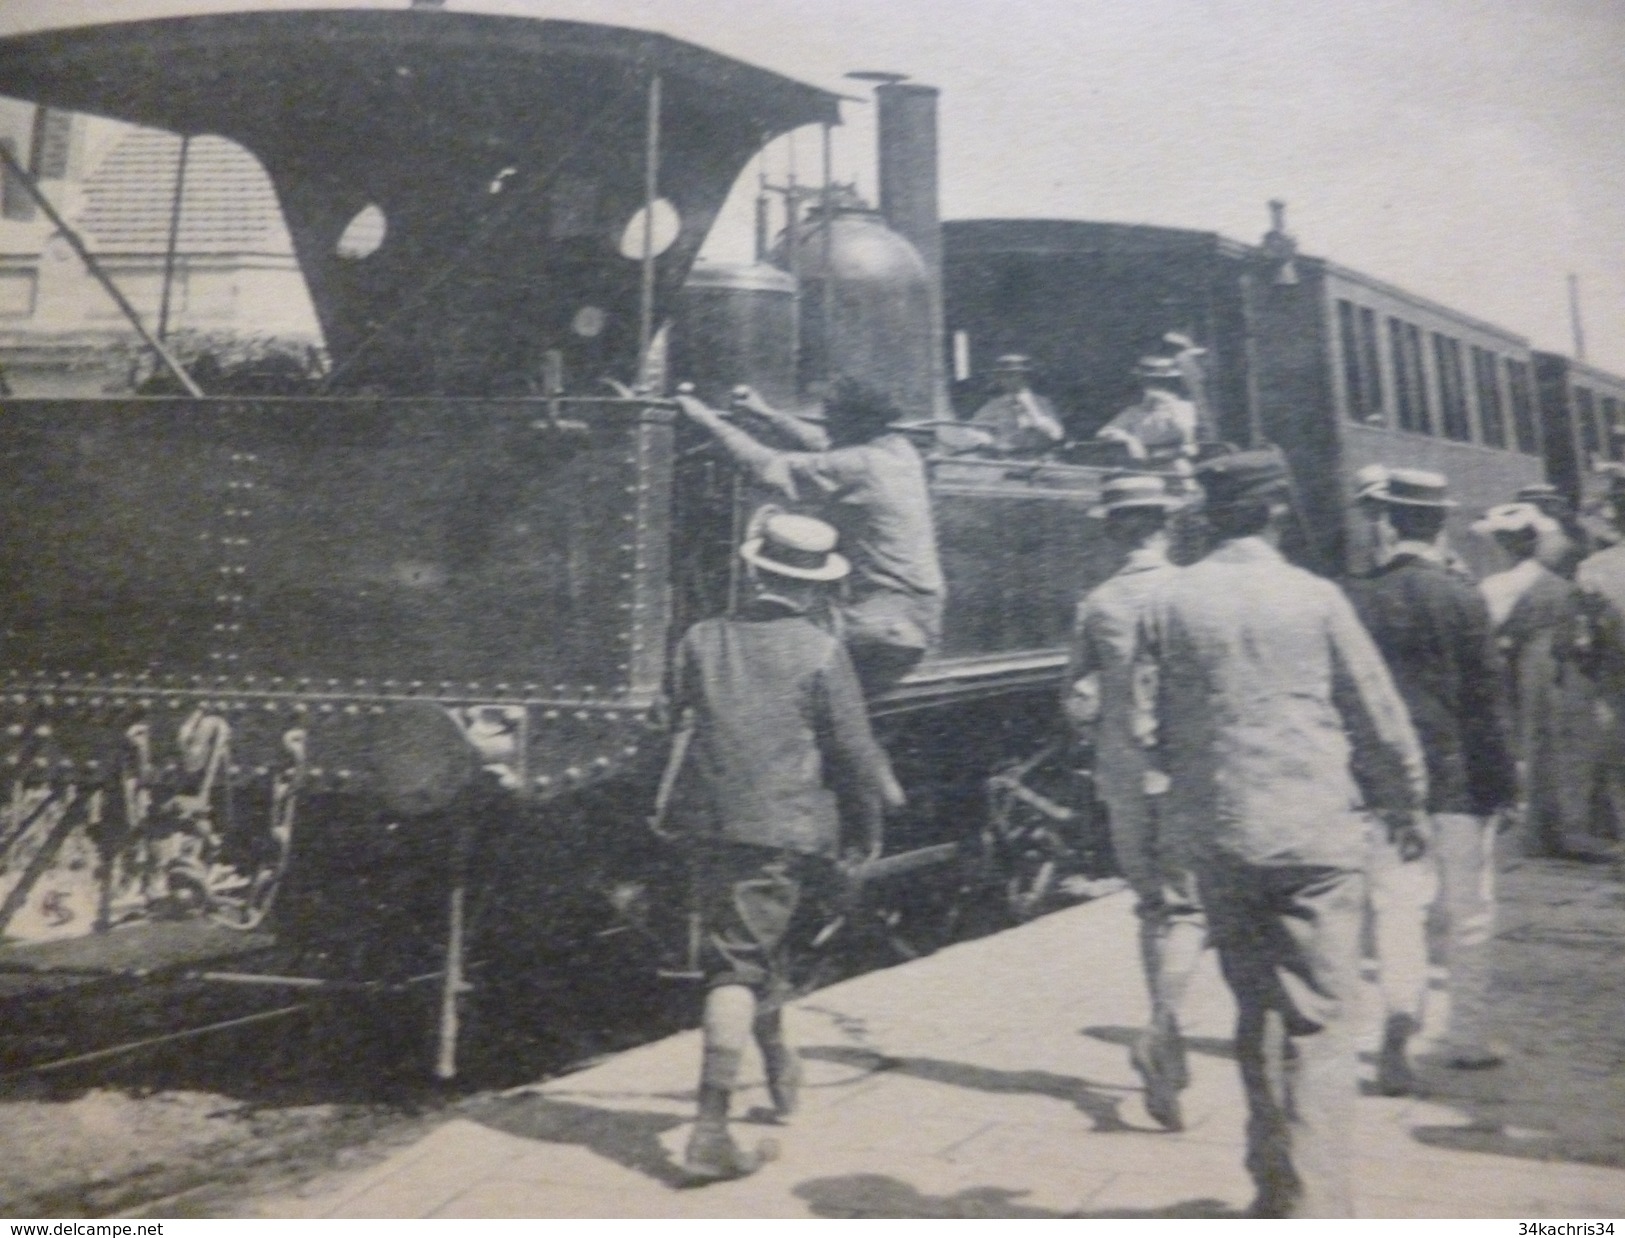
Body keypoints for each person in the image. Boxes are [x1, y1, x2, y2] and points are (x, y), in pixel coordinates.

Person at [1135, 448, 1428, 1218]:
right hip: (1314, 836)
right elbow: (1378, 716)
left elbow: (1146, 724)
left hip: (1220, 837)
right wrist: (1406, 804)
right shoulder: (1314, 596)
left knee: (1256, 1012)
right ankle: (1317, 1209)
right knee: (1322, 1025)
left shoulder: (1169, 601)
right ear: (1274, 511)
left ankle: (1273, 1189)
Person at [662, 512, 895, 1181]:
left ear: (756, 569)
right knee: (737, 967)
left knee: (747, 948)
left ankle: (778, 1072)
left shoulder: (701, 638)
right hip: (781, 831)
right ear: (816, 587)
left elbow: (672, 718)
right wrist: (868, 826)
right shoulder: (821, 650)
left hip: (704, 825)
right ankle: (709, 1130)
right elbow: (852, 753)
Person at [1343, 468, 1517, 1083]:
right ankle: (1467, 1035)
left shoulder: (1359, 597)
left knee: (1396, 909)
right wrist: (1504, 786)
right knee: (1469, 911)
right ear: (1439, 522)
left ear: (1386, 521)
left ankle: (1397, 1017)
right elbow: (1489, 703)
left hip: (1391, 786)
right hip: (1464, 782)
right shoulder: (1463, 596)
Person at [1065, 472, 1203, 1130]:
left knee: (1152, 907)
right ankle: (1160, 1031)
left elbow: (1076, 698)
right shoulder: (1193, 591)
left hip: (1121, 770)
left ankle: (1166, 1048)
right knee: (1190, 910)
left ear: (1115, 530)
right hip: (1184, 772)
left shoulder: (1095, 602)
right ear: (1165, 524)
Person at [676, 375, 945, 691]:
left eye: (832, 419)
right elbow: (823, 445)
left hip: (879, 624)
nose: (827, 427)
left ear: (851, 422)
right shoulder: (899, 451)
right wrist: (768, 414)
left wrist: (704, 419)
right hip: (916, 618)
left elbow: (769, 466)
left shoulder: (860, 464)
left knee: (779, 675)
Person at [1475, 502, 1594, 859]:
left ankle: (1538, 828)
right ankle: (1560, 824)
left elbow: (1488, 632)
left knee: (1526, 743)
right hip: (1554, 667)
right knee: (1555, 742)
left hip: (1514, 669)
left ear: (1504, 543)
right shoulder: (1558, 584)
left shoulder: (1493, 586)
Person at [1096, 355, 1199, 460]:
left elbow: (1189, 441)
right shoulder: (1134, 412)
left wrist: (1170, 405)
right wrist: (1130, 440)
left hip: (1175, 463)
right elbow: (1103, 433)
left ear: (1169, 384)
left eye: (1160, 382)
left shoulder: (1184, 407)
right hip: (1142, 463)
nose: (1154, 387)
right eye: (1150, 382)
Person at [962, 354, 1065, 456]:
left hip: (1039, 460)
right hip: (1009, 460)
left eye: (1013, 375)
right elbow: (973, 428)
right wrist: (985, 440)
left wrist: (1032, 411)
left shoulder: (1042, 403)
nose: (1007, 380)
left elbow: (1056, 434)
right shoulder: (995, 405)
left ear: (1026, 378)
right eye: (1004, 376)